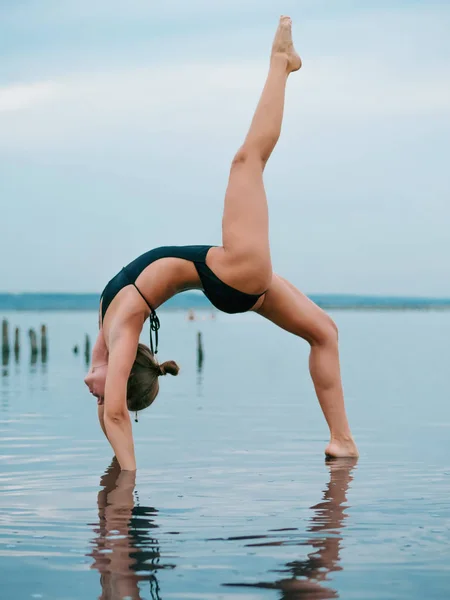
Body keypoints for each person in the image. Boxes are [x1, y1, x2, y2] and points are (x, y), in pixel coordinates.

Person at [84, 16, 358, 470]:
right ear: (121, 371)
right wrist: (129, 475)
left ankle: (342, 441)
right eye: (106, 387)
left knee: (324, 333)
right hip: (232, 271)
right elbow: (114, 412)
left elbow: (110, 409)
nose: (93, 395)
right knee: (246, 161)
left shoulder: (106, 327)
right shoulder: (122, 331)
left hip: (232, 281)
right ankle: (281, 64)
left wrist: (117, 452)